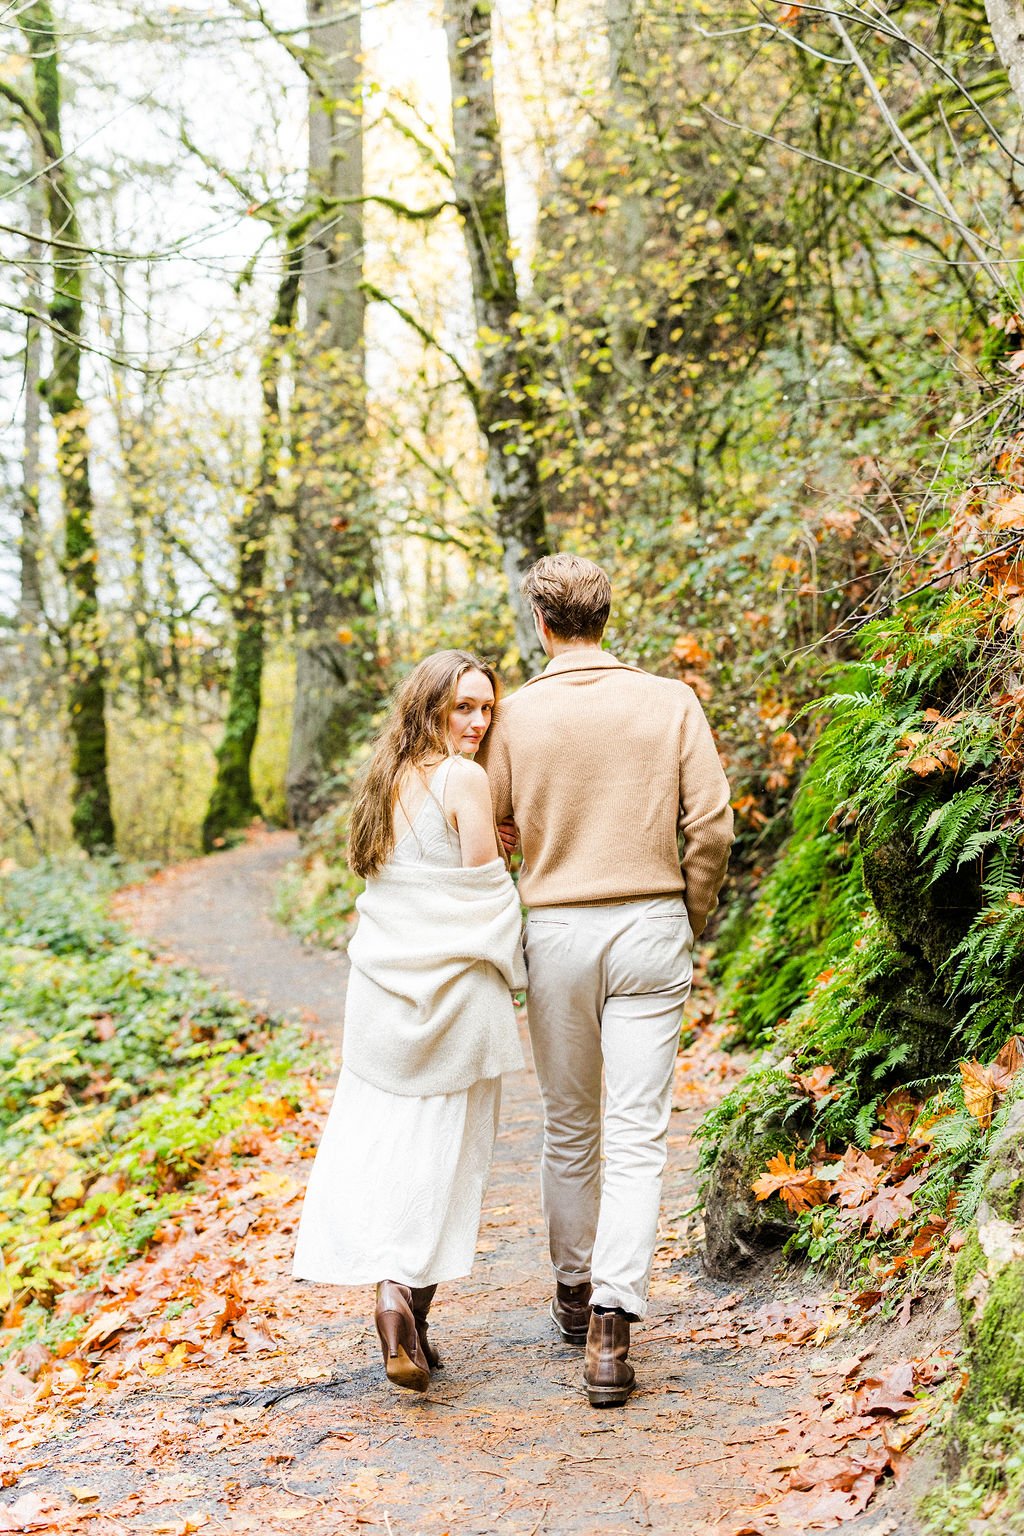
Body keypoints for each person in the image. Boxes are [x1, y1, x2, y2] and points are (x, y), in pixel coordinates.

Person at [479, 554, 733, 1407]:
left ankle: (573, 1288)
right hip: (651, 922)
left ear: (541, 625)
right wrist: (686, 913)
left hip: (556, 930)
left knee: (569, 1124)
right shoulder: (670, 702)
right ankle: (613, 1328)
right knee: (635, 1132)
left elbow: (490, 823)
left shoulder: (512, 716)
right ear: (608, 617)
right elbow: (714, 826)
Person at [292, 651, 526, 1393]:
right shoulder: (466, 779)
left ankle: (409, 1327)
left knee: (394, 1151)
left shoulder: (382, 779)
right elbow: (484, 899)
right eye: (463, 707)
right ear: (428, 706)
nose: (478, 722)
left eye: (486, 709)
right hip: (454, 999)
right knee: (450, 1159)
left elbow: (401, 879)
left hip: (383, 999)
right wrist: (503, 858)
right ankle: (401, 1301)